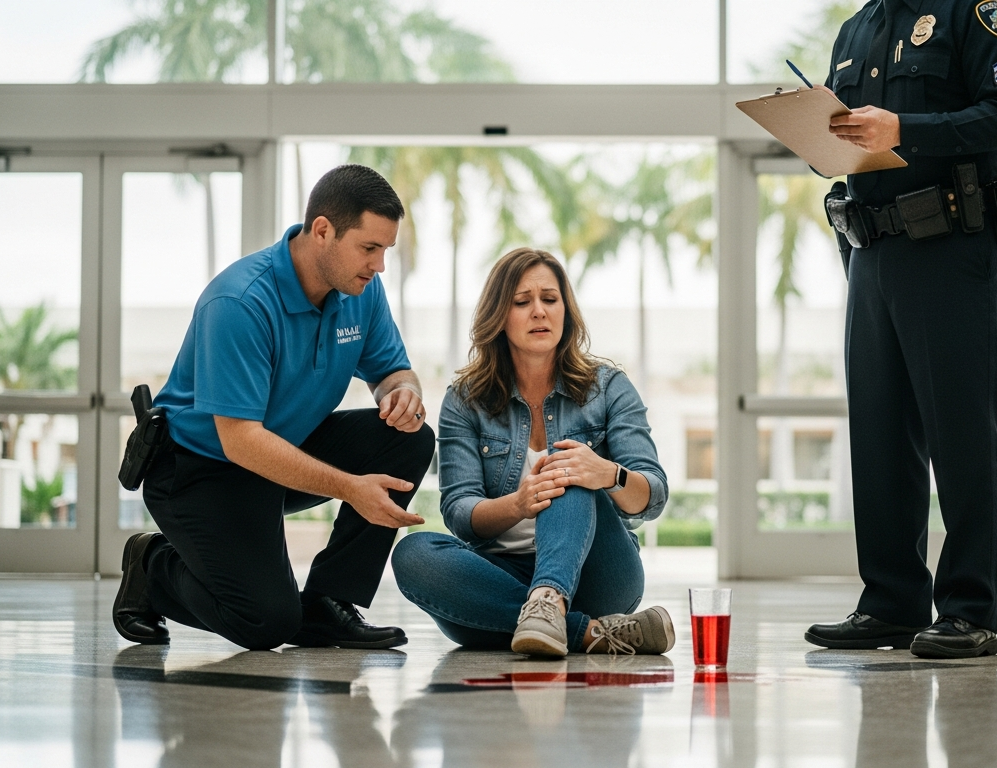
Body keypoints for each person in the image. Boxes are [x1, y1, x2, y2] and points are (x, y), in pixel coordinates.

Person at [111, 164, 435, 651]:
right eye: (370, 248)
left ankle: (329, 601)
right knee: (266, 623)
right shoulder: (240, 302)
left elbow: (392, 368)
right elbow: (240, 440)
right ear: (322, 230)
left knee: (409, 436)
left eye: (385, 250)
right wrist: (350, 488)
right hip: (201, 470)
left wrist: (401, 390)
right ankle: (153, 565)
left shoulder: (359, 291)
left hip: (278, 451)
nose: (379, 265)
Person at [804, 0, 997, 658]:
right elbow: (847, 143)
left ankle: (969, 609)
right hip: (872, 249)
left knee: (962, 433)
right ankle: (891, 602)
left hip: (953, 246)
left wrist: (903, 126)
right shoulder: (856, 30)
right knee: (878, 436)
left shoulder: (974, 14)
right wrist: (823, 139)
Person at [392, 248, 674, 658]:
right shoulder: (465, 399)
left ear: (566, 310)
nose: (539, 311)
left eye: (550, 299)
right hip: (501, 573)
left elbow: (653, 496)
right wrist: (519, 504)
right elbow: (460, 512)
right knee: (412, 553)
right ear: (499, 317)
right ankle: (589, 632)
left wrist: (606, 473)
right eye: (522, 302)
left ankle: (549, 604)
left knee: (568, 470)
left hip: (599, 573)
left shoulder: (609, 387)